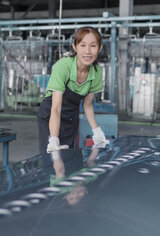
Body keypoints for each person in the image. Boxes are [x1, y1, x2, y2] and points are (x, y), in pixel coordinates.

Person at [37, 26, 109, 156]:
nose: (87, 51)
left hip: (71, 117)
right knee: (53, 160)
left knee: (70, 158)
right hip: (51, 114)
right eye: (82, 45)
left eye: (93, 46)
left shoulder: (97, 72)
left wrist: (96, 130)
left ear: (99, 48)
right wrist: (53, 139)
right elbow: (56, 108)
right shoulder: (63, 66)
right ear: (75, 47)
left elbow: (87, 105)